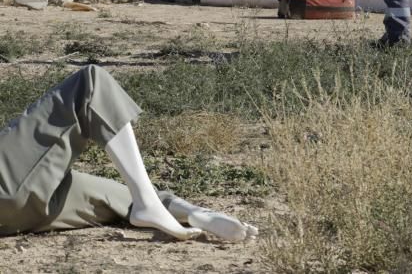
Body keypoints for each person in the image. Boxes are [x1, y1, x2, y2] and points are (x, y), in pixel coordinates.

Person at [0, 64, 257, 241]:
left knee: (114, 197)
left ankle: (189, 212)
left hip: (16, 214)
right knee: (91, 83)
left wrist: (193, 212)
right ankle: (149, 203)